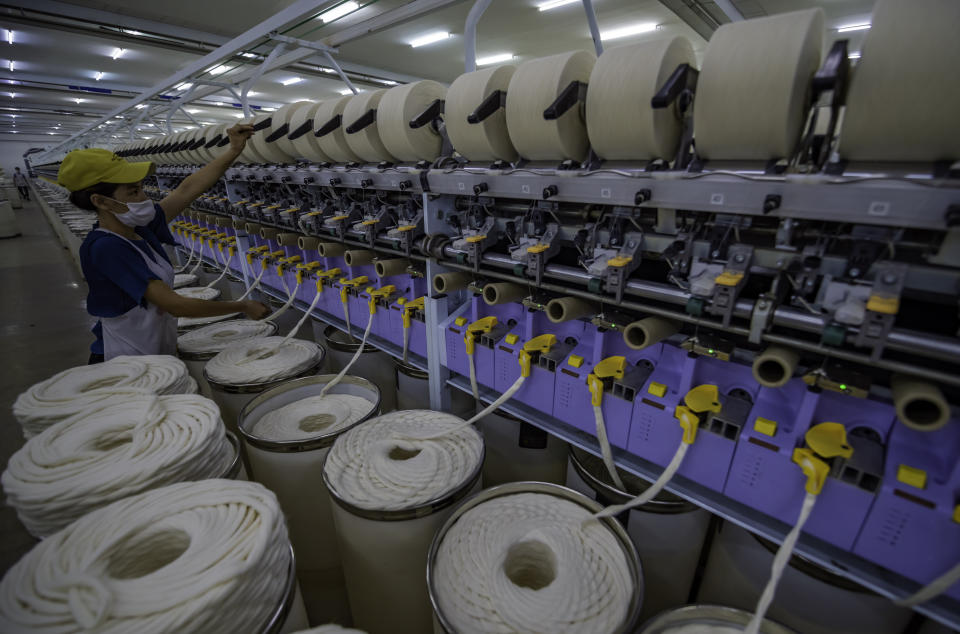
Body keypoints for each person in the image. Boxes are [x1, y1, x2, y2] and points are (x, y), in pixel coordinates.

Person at [57, 123, 270, 364]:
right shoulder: (106, 248)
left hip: (152, 350)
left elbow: (185, 190)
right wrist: (242, 306)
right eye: (133, 192)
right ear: (101, 202)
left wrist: (233, 150)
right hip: (123, 360)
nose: (144, 198)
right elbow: (175, 305)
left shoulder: (139, 229)